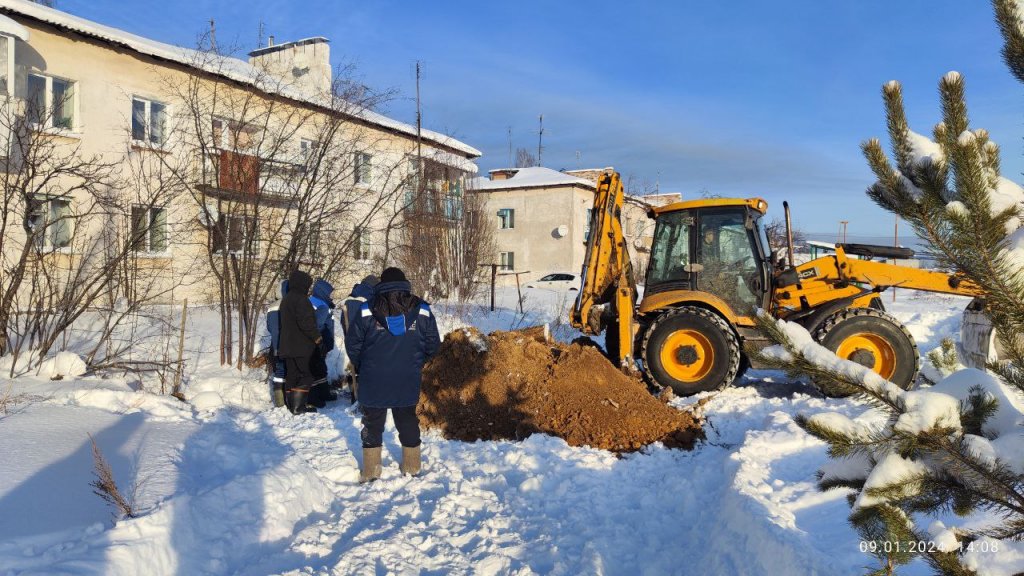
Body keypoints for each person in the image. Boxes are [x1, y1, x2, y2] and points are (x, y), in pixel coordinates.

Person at [345, 267, 440, 481]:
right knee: (407, 420)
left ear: (381, 285)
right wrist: (415, 363)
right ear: (405, 283)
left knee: (372, 423)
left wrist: (364, 365)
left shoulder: (366, 310)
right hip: (407, 377)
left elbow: (353, 346)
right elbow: (433, 345)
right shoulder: (422, 310)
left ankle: (371, 471)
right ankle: (412, 466)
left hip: (373, 378)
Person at [278, 269, 322, 414]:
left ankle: (291, 404)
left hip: (287, 345)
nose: (308, 289)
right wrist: (317, 338)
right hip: (301, 346)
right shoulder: (301, 299)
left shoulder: (287, 299)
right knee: (306, 374)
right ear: (303, 284)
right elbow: (307, 323)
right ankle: (298, 407)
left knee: (292, 374)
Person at [340, 275, 378, 403]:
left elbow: (343, 320)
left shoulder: (350, 298)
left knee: (355, 365)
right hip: (365, 339)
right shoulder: (370, 297)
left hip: (351, 339)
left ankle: (354, 396)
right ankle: (364, 398)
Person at [308, 278, 336, 407]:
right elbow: (318, 325)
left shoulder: (311, 301)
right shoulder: (322, 305)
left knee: (318, 367)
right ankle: (317, 396)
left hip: (312, 341)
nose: (331, 296)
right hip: (319, 340)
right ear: (323, 292)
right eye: (329, 293)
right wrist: (321, 342)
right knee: (316, 368)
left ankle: (322, 393)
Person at [265, 279, 289, 408]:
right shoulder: (292, 305)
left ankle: (279, 402)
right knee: (291, 370)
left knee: (279, 371)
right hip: (290, 346)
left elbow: (269, 327)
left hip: (276, 345)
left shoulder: (271, 307)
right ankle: (291, 399)